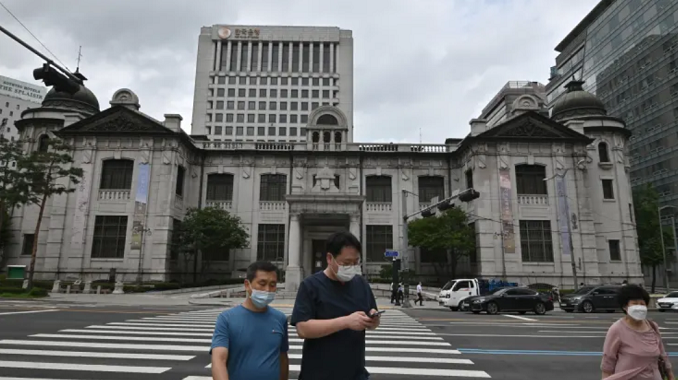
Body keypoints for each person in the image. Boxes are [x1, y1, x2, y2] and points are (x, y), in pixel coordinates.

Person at [291, 231, 380, 380]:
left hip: (355, 373)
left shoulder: (361, 284)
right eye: (346, 263)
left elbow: (371, 319)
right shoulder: (311, 285)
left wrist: (373, 321)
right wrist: (345, 322)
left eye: (355, 262)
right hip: (318, 374)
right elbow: (303, 329)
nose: (351, 267)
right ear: (329, 258)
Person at [211, 261, 289, 380]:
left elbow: (282, 358)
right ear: (247, 285)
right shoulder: (226, 319)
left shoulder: (280, 318)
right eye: (262, 283)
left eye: (272, 284)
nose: (267, 289)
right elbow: (219, 361)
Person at [601, 285, 674, 380]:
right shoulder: (617, 329)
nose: (639, 307)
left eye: (642, 304)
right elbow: (608, 363)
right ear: (625, 307)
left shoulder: (653, 326)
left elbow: (663, 355)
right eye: (635, 304)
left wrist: (670, 375)